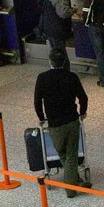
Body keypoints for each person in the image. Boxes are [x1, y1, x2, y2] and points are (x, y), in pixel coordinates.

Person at [34, 48, 90, 198]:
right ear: (65, 61)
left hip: (54, 124)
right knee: (71, 154)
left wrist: (42, 117)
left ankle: (75, 179)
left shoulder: (42, 78)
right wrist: (82, 112)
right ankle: (71, 189)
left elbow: (37, 101)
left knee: (62, 152)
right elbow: (83, 98)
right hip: (71, 121)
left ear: (50, 61)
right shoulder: (71, 77)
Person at [39, 0, 76, 71]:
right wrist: (73, 10)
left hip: (48, 27)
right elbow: (63, 13)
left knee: (55, 53)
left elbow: (40, 2)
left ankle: (57, 72)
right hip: (57, 29)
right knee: (61, 55)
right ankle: (65, 75)